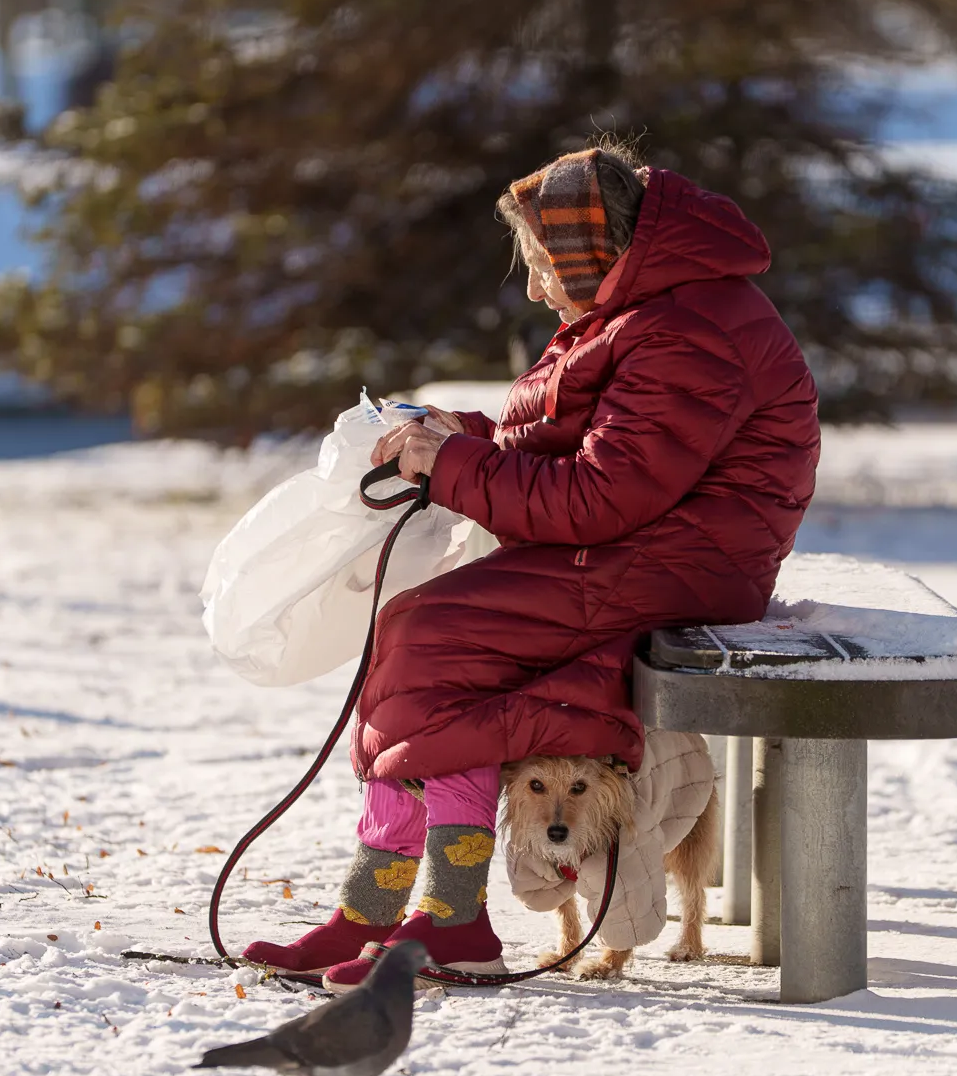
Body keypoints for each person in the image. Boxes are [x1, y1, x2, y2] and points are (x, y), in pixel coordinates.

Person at [244, 144, 821, 987]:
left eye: (543, 265)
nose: (534, 287)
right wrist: (461, 439)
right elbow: (579, 444)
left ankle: (447, 917)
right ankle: (383, 911)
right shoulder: (657, 309)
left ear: (590, 255)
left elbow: (596, 494)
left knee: (434, 637)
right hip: (647, 547)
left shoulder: (688, 331)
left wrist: (452, 464)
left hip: (678, 563)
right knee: (416, 628)